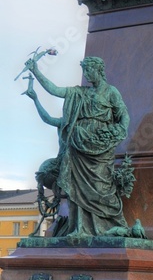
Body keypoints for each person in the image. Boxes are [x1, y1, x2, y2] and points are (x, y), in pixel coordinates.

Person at [23, 56, 131, 237]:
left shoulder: (111, 92)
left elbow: (123, 116)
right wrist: (35, 70)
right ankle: (79, 227)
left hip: (100, 146)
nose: (87, 75)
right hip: (78, 144)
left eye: (89, 70)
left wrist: (117, 133)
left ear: (99, 70)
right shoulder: (80, 93)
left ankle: (105, 225)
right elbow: (55, 90)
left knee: (100, 184)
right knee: (76, 186)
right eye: (84, 71)